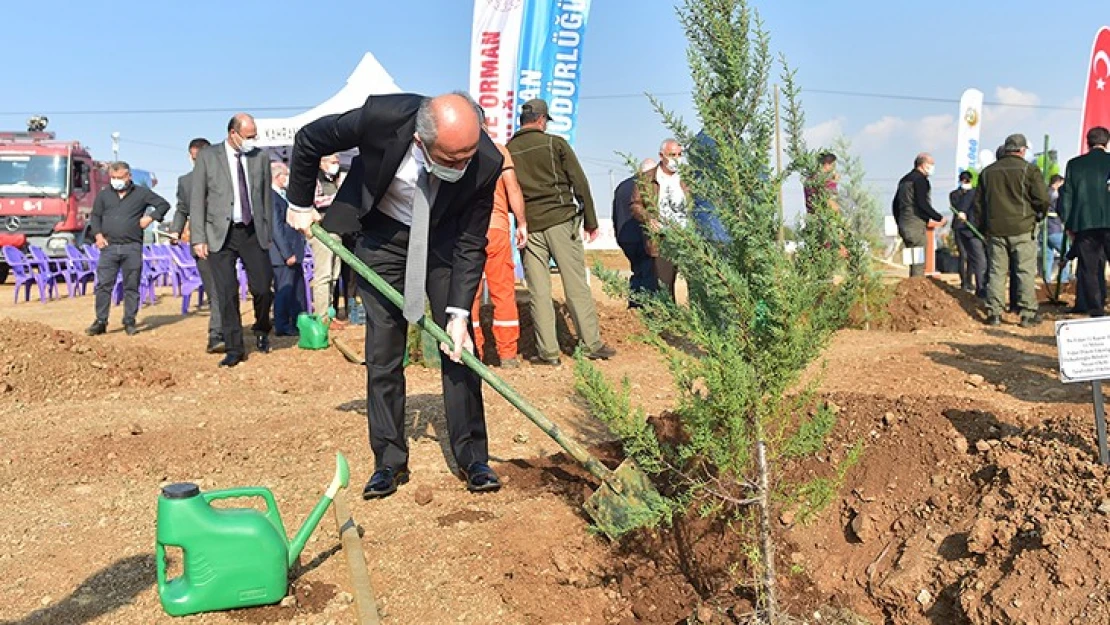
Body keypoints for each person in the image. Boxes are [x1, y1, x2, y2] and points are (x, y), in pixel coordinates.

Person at [285, 91, 504, 497]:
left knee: (458, 350)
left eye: (469, 154)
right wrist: (298, 201)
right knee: (383, 353)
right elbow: (310, 139)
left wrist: (458, 314)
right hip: (382, 237)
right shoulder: (381, 117)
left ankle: (473, 456)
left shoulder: (486, 161)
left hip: (442, 242)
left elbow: (471, 241)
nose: (465, 164)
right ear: (421, 142)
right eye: (453, 159)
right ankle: (388, 460)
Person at [507, 98, 616, 365]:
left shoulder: (508, 150)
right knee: (575, 285)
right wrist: (590, 220)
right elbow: (579, 182)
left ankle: (549, 353)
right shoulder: (554, 144)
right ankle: (591, 344)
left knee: (539, 291)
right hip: (560, 220)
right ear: (542, 120)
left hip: (529, 226)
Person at [190, 113, 275, 368]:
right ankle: (234, 347)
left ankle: (261, 328)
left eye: (254, 135)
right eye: (249, 136)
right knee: (226, 293)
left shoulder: (260, 157)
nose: (253, 140)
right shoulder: (208, 156)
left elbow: (266, 199)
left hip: (252, 231)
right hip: (220, 234)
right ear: (233, 134)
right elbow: (197, 199)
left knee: (262, 287)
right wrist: (198, 238)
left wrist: (268, 232)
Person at [469, 107, 528, 368]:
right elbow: (512, 188)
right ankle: (507, 355)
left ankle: (472, 351)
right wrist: (522, 222)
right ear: (486, 123)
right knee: (503, 292)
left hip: (466, 232)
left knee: (467, 294)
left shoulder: (456, 149)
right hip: (496, 228)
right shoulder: (499, 151)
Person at [85, 161, 171, 336]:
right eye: (113, 178)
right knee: (103, 286)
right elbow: (95, 216)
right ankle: (101, 321)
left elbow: (164, 205)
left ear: (128, 176)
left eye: (119, 177)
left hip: (132, 247)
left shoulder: (141, 193)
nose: (116, 181)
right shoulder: (104, 195)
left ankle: (129, 321)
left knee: (131, 286)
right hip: (109, 247)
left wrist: (151, 217)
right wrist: (98, 235)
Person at [974, 133, 1051, 327]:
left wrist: (984, 229)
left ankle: (994, 314)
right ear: (1023, 150)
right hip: (1023, 228)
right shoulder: (1030, 170)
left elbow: (978, 206)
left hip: (995, 230)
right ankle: (1027, 315)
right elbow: (1042, 199)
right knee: (1024, 272)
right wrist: (1039, 215)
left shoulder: (987, 173)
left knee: (996, 272)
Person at [169, 138, 224, 353]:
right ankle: (217, 335)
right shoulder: (185, 182)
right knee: (215, 290)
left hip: (229, 239)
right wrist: (176, 229)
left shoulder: (225, 178)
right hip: (202, 243)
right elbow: (182, 208)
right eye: (194, 159)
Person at [630, 139, 691, 300]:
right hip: (662, 240)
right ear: (661, 155)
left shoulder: (688, 177)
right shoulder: (646, 179)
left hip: (688, 239)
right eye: (672, 155)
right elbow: (635, 205)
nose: (676, 159)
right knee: (664, 287)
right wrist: (648, 218)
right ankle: (670, 322)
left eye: (679, 154)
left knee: (696, 285)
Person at [1060, 126, 1110, 316]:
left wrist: (1068, 223)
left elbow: (1067, 196)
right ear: (1106, 142)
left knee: (1089, 269)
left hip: (1084, 224)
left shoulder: (1074, 165)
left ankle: (1096, 310)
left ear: (1087, 142)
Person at [613, 158, 658, 306]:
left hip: (625, 237)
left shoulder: (622, 186)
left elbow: (615, 213)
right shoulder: (646, 186)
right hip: (642, 236)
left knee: (637, 270)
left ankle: (634, 304)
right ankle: (645, 306)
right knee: (648, 272)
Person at [893, 153, 946, 276]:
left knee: (911, 259)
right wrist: (939, 217)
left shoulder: (904, 180)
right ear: (923, 165)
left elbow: (895, 204)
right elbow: (922, 203)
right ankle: (916, 285)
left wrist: (899, 222)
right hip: (915, 224)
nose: (933, 167)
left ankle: (911, 285)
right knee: (918, 260)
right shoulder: (920, 180)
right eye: (931, 164)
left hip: (904, 224)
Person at [269, 162, 306, 335]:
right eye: (286, 175)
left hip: (293, 249)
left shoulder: (283, 196)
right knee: (284, 290)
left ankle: (297, 320)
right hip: (283, 253)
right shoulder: (271, 197)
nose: (288, 179)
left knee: (295, 289)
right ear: (277, 177)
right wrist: (287, 253)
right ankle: (282, 324)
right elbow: (276, 228)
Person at [309, 154, 345, 317]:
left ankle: (330, 314)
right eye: (333, 162)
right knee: (323, 276)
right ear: (322, 163)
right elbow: (314, 201)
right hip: (322, 232)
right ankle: (322, 316)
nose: (336, 164)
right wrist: (337, 197)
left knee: (334, 275)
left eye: (337, 162)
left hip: (337, 230)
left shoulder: (335, 179)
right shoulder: (316, 179)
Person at [950, 170, 986, 297]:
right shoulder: (955, 194)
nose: (966, 183)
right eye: (964, 180)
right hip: (960, 227)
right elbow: (958, 207)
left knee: (973, 257)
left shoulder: (975, 193)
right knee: (963, 255)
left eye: (968, 181)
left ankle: (970, 282)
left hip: (971, 229)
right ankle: (964, 281)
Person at [1040, 174, 1071, 284]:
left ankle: (1046, 279)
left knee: (1048, 256)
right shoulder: (1055, 194)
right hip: (1055, 229)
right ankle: (1064, 278)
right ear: (1058, 183)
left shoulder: (1044, 193)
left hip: (1044, 231)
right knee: (1066, 253)